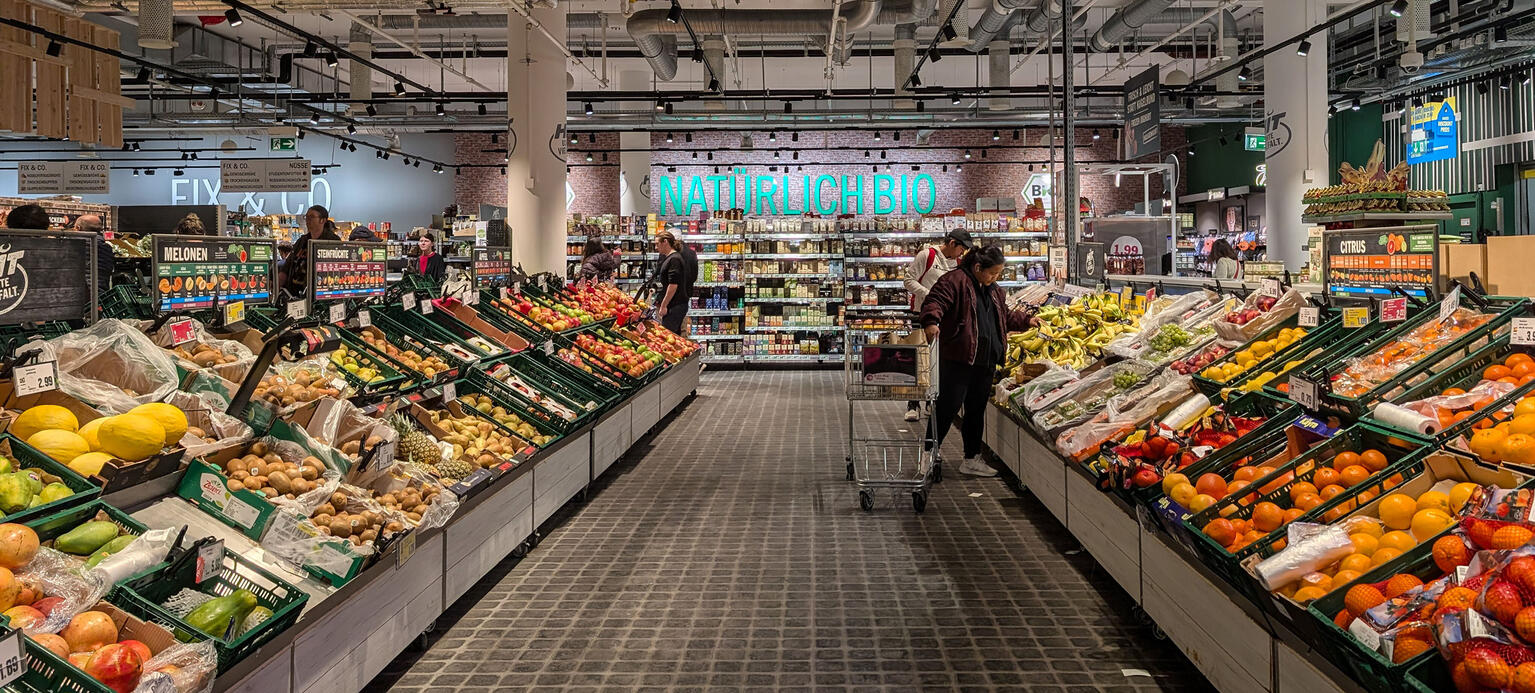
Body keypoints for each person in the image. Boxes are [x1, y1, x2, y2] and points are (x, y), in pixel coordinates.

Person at [919, 244, 1038, 477]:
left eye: (998, 274)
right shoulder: (954, 281)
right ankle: (928, 454)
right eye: (992, 272)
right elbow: (934, 302)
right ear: (977, 267)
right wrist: (931, 322)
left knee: (976, 410)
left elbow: (1003, 315)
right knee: (946, 408)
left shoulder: (994, 290)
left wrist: (1025, 321)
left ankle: (971, 458)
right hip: (959, 358)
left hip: (985, 360)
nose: (996, 278)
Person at [901, 229, 972, 421]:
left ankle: (931, 402)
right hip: (922, 314)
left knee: (937, 361)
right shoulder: (927, 255)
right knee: (919, 359)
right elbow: (908, 280)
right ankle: (912, 404)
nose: (962, 253)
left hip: (947, 317)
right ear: (951, 243)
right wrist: (929, 294)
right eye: (961, 248)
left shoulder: (958, 263)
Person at [280, 204, 341, 297]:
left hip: (319, 294)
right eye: (306, 217)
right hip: (294, 293)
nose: (308, 220)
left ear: (323, 220)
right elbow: (288, 265)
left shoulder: (332, 241)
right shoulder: (302, 240)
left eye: (311, 217)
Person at [654, 231, 689, 334]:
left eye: (657, 244)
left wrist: (664, 305)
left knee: (667, 335)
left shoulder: (674, 259)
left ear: (665, 242)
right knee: (674, 336)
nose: (656, 247)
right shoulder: (671, 257)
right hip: (675, 304)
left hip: (675, 305)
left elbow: (673, 285)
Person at [72, 214, 115, 297]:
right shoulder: (107, 248)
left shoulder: (72, 245)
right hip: (101, 294)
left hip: (79, 296)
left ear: (78, 228)